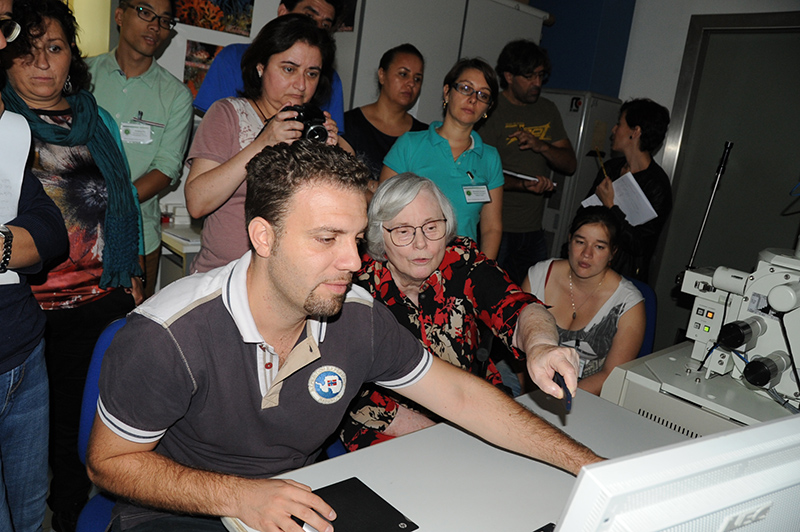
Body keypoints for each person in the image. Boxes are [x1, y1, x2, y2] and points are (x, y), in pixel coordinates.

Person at [86, 140, 600, 532]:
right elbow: (109, 465)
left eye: (355, 239)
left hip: (302, 498)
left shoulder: (357, 317)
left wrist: (592, 468)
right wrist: (242, 496)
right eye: (327, 238)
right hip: (184, 510)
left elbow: (464, 397)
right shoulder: (169, 333)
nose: (354, 261)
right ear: (263, 236)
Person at [0, 1, 144, 529]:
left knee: (91, 428)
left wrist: (134, 275)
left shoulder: (94, 117)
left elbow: (123, 200)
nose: (42, 62)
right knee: (43, 439)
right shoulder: (5, 122)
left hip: (102, 300)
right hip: (35, 309)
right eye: (28, 50)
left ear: (72, 58)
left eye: (55, 48)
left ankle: (74, 514)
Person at [340, 173, 578, 449]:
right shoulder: (356, 286)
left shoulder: (461, 261)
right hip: (390, 422)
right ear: (378, 236)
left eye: (431, 227)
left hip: (471, 402)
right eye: (403, 231)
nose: (421, 244)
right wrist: (448, 435)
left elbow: (517, 305)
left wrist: (541, 345)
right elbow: (351, 389)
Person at [185, 14, 345, 273]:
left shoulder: (316, 126)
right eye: (289, 69)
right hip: (223, 274)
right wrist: (261, 143)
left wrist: (332, 155)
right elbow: (197, 202)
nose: (301, 85)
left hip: (291, 276)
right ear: (261, 67)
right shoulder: (228, 114)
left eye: (312, 73)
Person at [0, 2, 69, 531]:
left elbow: (49, 228)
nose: (4, 43)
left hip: (22, 346)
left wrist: (3, 247)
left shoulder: (9, 128)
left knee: (28, 512)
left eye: (5, 26)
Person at [87, 0, 192, 299]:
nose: (155, 26)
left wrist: (114, 202)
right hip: (76, 230)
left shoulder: (176, 96)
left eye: (164, 20)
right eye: (145, 13)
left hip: (139, 238)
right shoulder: (82, 75)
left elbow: (167, 167)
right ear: (120, 15)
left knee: (131, 322)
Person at [380, 57, 504, 259]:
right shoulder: (410, 145)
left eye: (483, 95)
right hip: (409, 260)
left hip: (463, 265)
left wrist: (483, 270)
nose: (473, 99)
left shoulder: (489, 158)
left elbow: (492, 228)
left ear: (487, 108)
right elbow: (382, 212)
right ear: (447, 92)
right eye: (466, 88)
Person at [479, 39, 576, 285]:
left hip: (533, 230)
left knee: (531, 297)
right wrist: (523, 185)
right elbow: (480, 175)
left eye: (541, 76)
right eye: (530, 76)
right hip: (496, 227)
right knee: (487, 292)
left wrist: (542, 146)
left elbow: (569, 164)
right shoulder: (491, 110)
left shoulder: (547, 109)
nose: (537, 83)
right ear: (509, 76)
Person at [522, 206, 645, 396]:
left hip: (585, 395)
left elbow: (611, 375)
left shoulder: (629, 304)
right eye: (580, 242)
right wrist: (531, 395)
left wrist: (561, 398)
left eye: (599, 246)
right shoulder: (539, 275)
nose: (587, 253)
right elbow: (515, 344)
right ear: (569, 240)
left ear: (613, 252)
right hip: (527, 381)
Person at [192, 0, 345, 133]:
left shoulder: (330, 78)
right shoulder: (232, 61)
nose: (301, 85)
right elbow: (215, 134)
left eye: (325, 25)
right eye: (289, 69)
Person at [584, 98, 671, 283]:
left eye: (619, 124)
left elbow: (640, 245)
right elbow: (583, 216)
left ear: (635, 131)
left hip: (624, 277)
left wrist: (610, 206)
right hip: (590, 263)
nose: (614, 130)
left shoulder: (657, 185)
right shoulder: (611, 168)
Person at [343, 43, 427, 183]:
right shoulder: (349, 124)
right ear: (382, 75)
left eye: (417, 79)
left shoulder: (424, 135)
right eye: (403, 74)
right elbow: (345, 182)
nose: (411, 83)